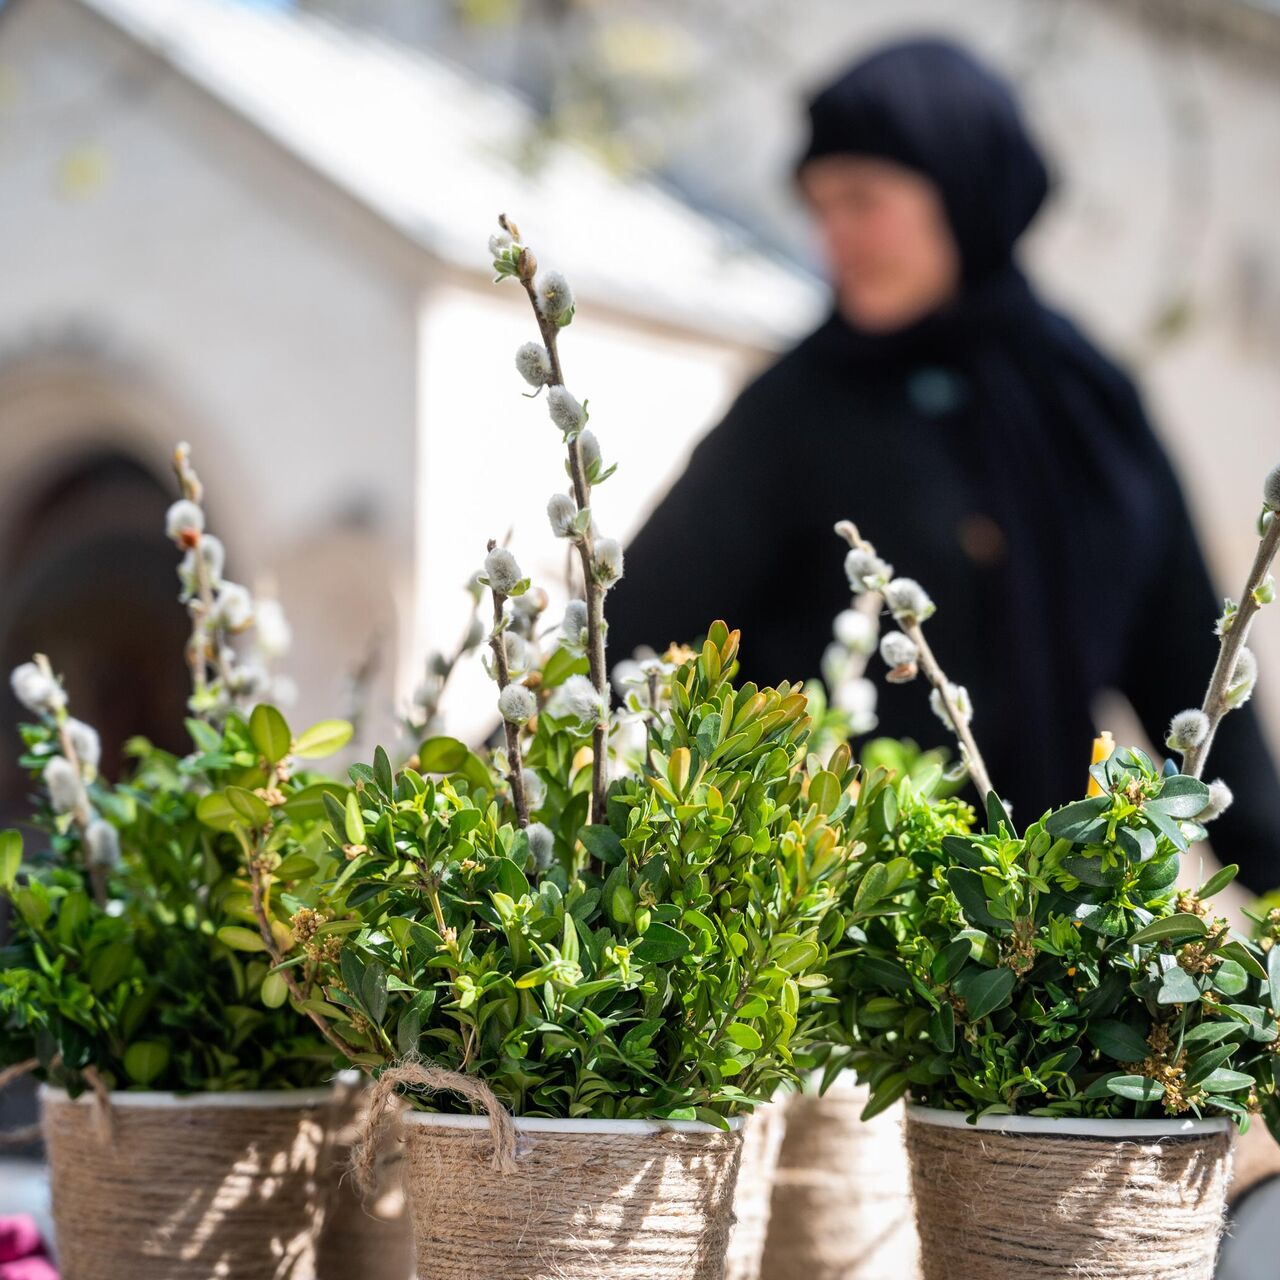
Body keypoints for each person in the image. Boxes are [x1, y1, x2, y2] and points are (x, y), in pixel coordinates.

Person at [604, 37, 1280, 889]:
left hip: (1035, 929)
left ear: (963, 193)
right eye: (820, 207)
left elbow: (1189, 661)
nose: (836, 236)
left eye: (863, 200)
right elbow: (634, 630)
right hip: (827, 937)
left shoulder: (1086, 404)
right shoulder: (799, 405)